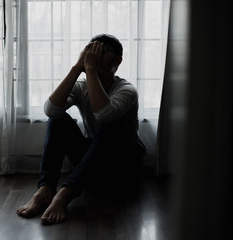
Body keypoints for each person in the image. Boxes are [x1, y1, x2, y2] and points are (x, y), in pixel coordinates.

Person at [16, 34, 146, 224]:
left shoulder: (126, 89)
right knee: (57, 119)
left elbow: (104, 115)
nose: (94, 56)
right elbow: (51, 110)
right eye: (90, 52)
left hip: (123, 164)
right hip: (94, 162)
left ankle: (65, 194)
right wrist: (78, 67)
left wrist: (91, 70)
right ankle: (45, 189)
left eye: (102, 52)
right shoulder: (81, 86)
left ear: (117, 60)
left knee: (112, 124)